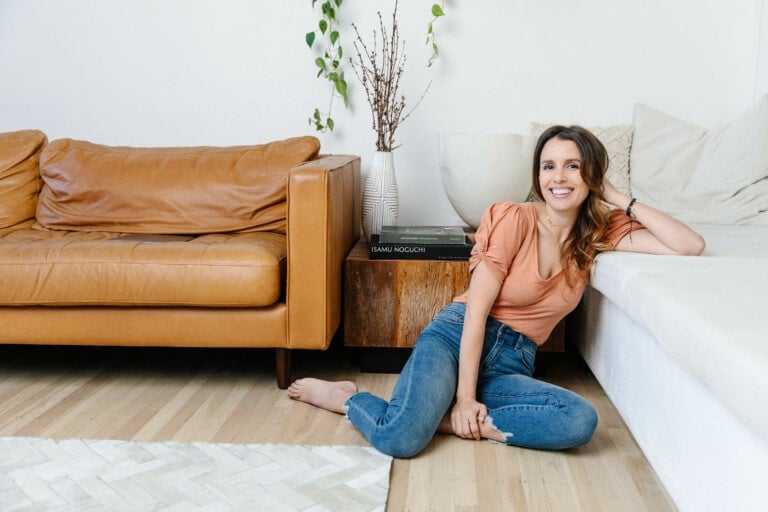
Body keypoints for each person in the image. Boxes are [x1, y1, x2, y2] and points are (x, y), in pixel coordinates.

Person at [287, 125, 705, 458]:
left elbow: (689, 244)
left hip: (512, 363)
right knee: (400, 440)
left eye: (573, 167)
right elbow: (476, 312)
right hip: (456, 339)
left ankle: (444, 417)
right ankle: (348, 399)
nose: (558, 178)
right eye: (548, 166)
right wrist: (466, 398)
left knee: (579, 420)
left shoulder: (598, 233)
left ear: (592, 174)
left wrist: (617, 197)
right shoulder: (515, 219)